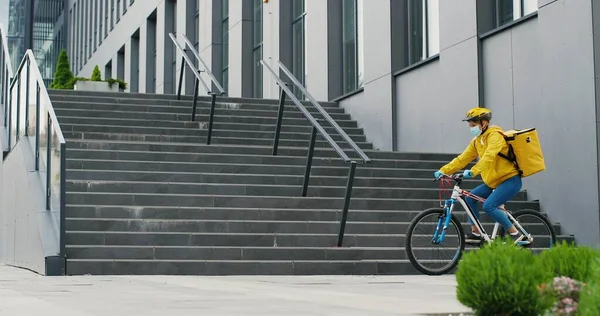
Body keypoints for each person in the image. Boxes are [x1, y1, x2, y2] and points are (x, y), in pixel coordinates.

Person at [433, 107, 528, 245]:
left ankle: (516, 234)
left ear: (483, 123)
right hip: (493, 182)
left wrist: (473, 171)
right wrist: (444, 170)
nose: (471, 128)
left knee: (489, 206)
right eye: (470, 125)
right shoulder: (477, 141)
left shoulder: (495, 136)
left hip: (510, 180)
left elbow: (489, 156)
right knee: (469, 199)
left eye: (473, 125)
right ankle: (476, 233)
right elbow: (462, 159)